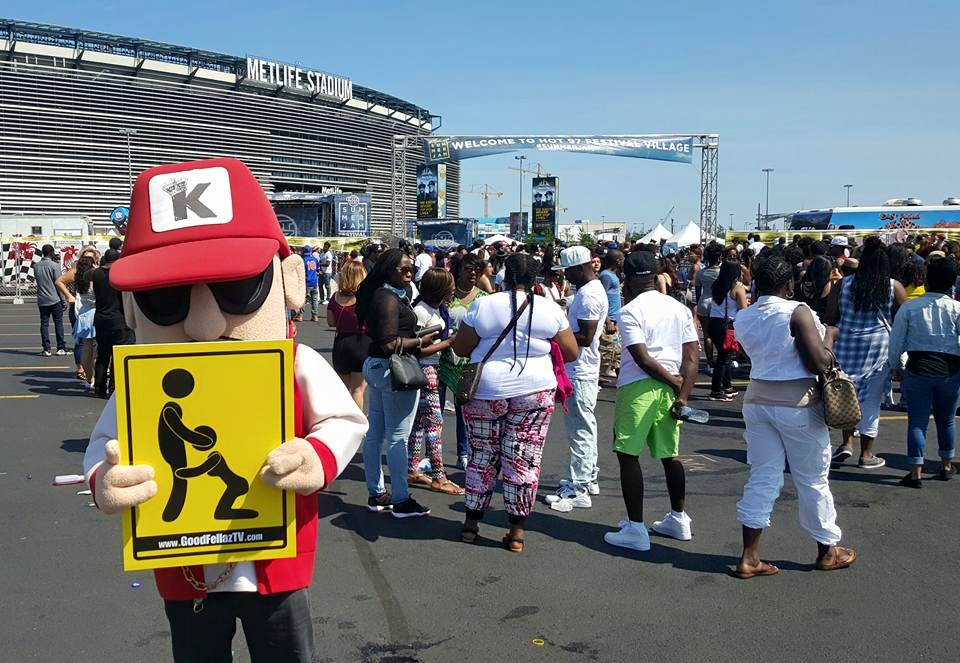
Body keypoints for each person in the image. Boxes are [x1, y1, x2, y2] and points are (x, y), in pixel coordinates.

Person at [82, 157, 367, 662]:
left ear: (289, 283)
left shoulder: (294, 362)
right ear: (131, 306)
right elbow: (104, 445)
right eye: (165, 298)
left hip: (275, 563)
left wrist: (317, 456)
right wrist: (106, 479)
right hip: (184, 566)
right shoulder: (141, 382)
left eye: (236, 290)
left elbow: (343, 420)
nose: (204, 325)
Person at [732, 256, 856, 578]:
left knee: (762, 476)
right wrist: (830, 335)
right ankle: (827, 550)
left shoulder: (745, 316)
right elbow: (819, 362)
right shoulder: (797, 311)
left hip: (757, 400)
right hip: (797, 403)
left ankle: (749, 557)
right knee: (812, 479)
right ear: (790, 285)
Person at [451, 254, 578, 552]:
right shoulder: (549, 308)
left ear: (505, 276)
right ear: (535, 279)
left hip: (486, 390)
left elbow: (461, 347)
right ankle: (516, 532)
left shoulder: (484, 305)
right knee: (524, 457)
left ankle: (471, 525)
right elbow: (571, 352)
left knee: (482, 455)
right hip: (535, 390)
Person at [602, 251, 699, 551]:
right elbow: (692, 356)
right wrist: (682, 393)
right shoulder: (678, 308)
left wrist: (675, 383)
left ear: (627, 279)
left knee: (628, 455)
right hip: (671, 389)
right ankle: (679, 519)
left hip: (638, 388)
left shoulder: (630, 311)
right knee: (670, 454)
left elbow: (642, 358)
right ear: (656, 275)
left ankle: (636, 529)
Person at [356, 248, 435, 518]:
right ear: (389, 270)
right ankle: (401, 500)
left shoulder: (384, 294)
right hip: (392, 370)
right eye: (404, 269)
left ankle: (377, 493)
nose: (410, 273)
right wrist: (420, 340)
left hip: (378, 368)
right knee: (397, 438)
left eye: (412, 269)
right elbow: (389, 343)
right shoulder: (387, 298)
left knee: (376, 434)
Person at [825, 237, 906, 469]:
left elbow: (830, 317)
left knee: (846, 395)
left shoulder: (843, 284)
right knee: (871, 401)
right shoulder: (893, 286)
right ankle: (867, 454)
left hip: (846, 345)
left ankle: (846, 443)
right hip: (878, 349)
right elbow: (903, 320)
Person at [546, 246, 608, 512]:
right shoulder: (588, 291)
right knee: (585, 426)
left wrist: (555, 336)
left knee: (580, 429)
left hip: (580, 369)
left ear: (580, 268)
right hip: (582, 368)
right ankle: (587, 477)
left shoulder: (589, 295)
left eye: (567, 271)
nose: (565, 276)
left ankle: (579, 487)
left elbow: (586, 337)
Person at [888, 257, 960, 487]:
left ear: (927, 281)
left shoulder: (910, 307)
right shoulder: (957, 308)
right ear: (952, 284)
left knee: (917, 422)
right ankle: (946, 465)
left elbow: (896, 341)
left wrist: (895, 366)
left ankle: (916, 472)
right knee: (947, 420)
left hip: (918, 368)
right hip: (950, 370)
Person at [406, 268, 463, 495]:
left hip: (432, 368)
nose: (453, 291)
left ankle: (412, 468)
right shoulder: (421, 311)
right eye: (450, 287)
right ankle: (439, 475)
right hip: (424, 369)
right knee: (435, 423)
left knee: (420, 422)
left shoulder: (435, 308)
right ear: (439, 289)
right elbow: (418, 349)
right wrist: (448, 343)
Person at [439, 253, 488, 469]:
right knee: (435, 411)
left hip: (469, 361)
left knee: (463, 410)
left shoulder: (484, 298)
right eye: (468, 269)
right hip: (442, 359)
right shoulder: (446, 295)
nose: (473, 273)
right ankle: (433, 454)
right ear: (458, 270)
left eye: (477, 269)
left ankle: (463, 453)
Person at [327, 260, 370, 409]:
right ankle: (357, 420)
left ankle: (342, 418)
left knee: (342, 390)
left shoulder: (335, 297)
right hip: (361, 343)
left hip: (341, 343)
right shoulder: (365, 298)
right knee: (358, 390)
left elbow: (331, 322)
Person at [86, 249, 128, 398]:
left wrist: (96, 267)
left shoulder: (96, 274)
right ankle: (114, 387)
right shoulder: (120, 274)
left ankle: (99, 387)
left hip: (101, 318)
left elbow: (85, 275)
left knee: (103, 354)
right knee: (117, 355)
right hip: (118, 318)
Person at [56, 245, 100, 379]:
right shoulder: (76, 272)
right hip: (79, 310)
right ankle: (81, 369)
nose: (87, 261)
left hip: (95, 310)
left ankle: (95, 373)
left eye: (90, 258)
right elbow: (59, 281)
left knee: (95, 344)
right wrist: (69, 296)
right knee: (82, 343)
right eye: (85, 258)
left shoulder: (97, 272)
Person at [707, 260, 748, 401]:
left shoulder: (717, 284)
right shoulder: (737, 287)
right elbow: (743, 309)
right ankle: (716, 390)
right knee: (724, 358)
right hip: (727, 325)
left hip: (713, 322)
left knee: (725, 356)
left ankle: (727, 386)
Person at [71, 255, 99, 392]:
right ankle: (98, 377)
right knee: (97, 350)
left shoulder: (79, 280)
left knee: (86, 348)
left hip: (84, 314)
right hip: (95, 313)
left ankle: (89, 378)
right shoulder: (94, 280)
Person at [34, 244, 67, 357]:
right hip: (54, 299)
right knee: (58, 323)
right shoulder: (54, 266)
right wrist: (63, 300)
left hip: (42, 299)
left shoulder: (36, 266)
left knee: (44, 323)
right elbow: (59, 284)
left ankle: (46, 348)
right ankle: (60, 347)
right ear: (51, 253)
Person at [695, 244, 723, 374]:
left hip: (704, 302)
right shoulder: (722, 273)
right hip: (718, 303)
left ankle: (710, 362)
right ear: (719, 257)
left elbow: (697, 292)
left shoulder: (701, 273)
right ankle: (721, 361)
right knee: (720, 334)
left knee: (707, 335)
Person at [599, 250, 624, 384]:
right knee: (607, 351)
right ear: (617, 261)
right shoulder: (606, 276)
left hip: (615, 318)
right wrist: (608, 320)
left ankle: (622, 379)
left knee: (616, 352)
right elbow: (601, 298)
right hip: (608, 320)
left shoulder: (613, 275)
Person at [297, 247, 320, 322]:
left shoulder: (303, 260)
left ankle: (300, 316)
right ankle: (315, 316)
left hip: (306, 281)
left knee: (303, 299)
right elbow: (318, 269)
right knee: (314, 300)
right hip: (314, 281)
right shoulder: (315, 259)